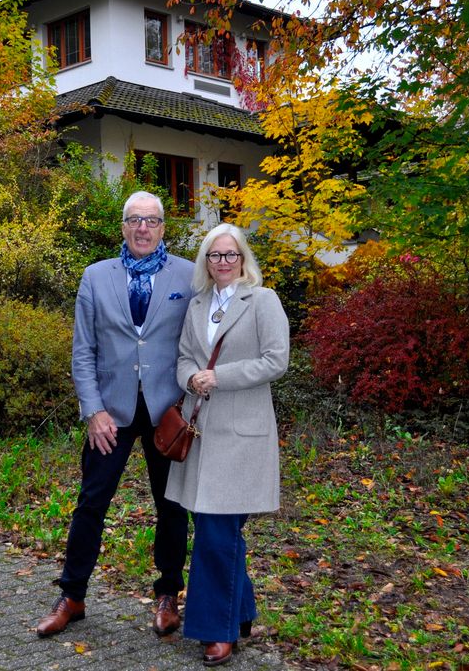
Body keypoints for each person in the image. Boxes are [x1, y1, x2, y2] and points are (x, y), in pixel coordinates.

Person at [36, 191, 194, 638]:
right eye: (134, 220)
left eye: (152, 221)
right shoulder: (95, 276)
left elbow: (201, 339)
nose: (143, 228)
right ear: (123, 227)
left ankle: (168, 594)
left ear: (164, 227)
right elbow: (83, 350)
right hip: (112, 413)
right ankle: (73, 596)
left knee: (172, 506)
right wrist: (93, 410)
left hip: (168, 411)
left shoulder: (187, 274)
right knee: (91, 504)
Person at [165, 223, 290, 667]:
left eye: (230, 255)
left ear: (242, 259)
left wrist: (219, 376)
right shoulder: (197, 303)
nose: (222, 262)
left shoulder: (263, 300)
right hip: (201, 437)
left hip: (242, 438)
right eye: (214, 255)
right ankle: (241, 614)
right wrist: (190, 378)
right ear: (205, 261)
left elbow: (277, 360)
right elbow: (182, 357)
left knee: (216, 535)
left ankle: (216, 630)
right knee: (220, 532)